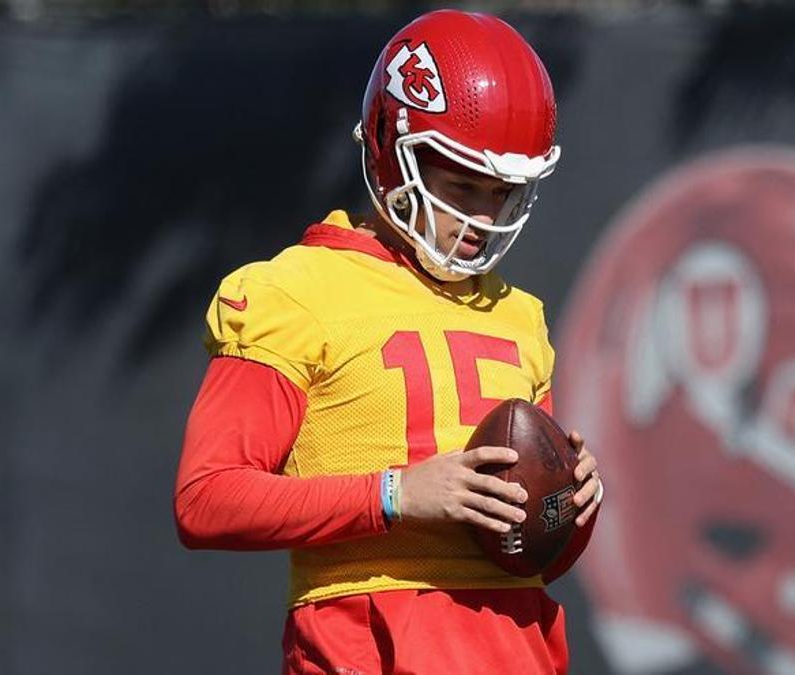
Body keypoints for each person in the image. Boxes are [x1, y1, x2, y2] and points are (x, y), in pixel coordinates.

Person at [173, 10, 602, 674]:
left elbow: (528, 554)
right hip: (368, 650)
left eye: (503, 192)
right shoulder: (297, 290)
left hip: (515, 652)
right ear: (388, 149)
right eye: (463, 184)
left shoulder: (520, 315)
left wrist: (569, 510)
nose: (481, 219)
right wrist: (396, 494)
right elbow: (206, 498)